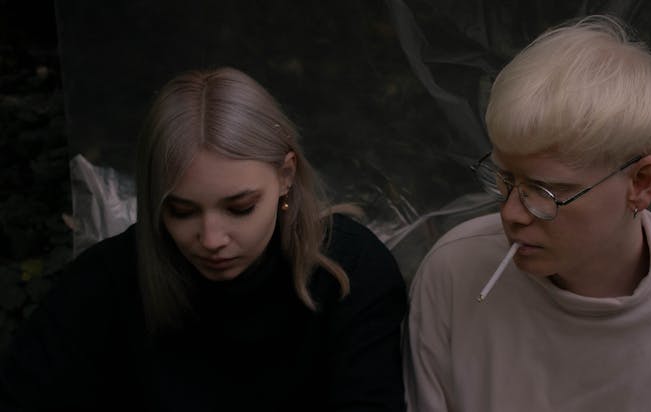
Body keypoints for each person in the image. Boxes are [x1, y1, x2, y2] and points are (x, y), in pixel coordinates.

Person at [0, 67, 407, 411]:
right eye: (181, 211)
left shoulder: (349, 271)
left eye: (240, 207)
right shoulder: (107, 281)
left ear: (285, 176)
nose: (211, 239)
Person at [403, 15, 651, 412]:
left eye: (547, 190)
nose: (512, 213)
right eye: (505, 177)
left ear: (642, 182)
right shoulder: (455, 272)